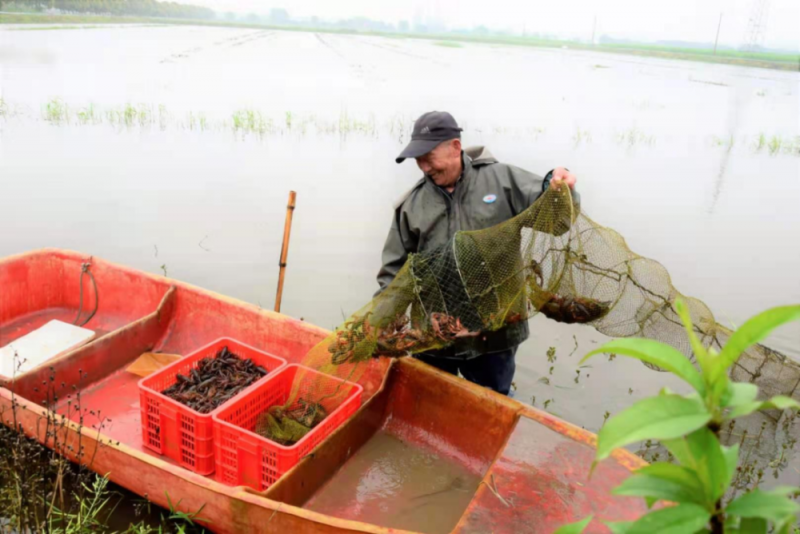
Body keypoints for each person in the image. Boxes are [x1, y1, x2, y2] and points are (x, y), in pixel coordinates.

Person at [375, 111, 578, 396]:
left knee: (493, 402)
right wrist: (380, 322)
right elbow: (393, 275)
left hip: (494, 335)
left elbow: (556, 222)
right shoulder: (411, 206)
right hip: (435, 337)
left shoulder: (502, 180)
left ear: (455, 146)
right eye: (417, 159)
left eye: (427, 156)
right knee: (429, 403)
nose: (423, 167)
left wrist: (562, 189)